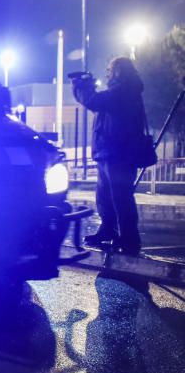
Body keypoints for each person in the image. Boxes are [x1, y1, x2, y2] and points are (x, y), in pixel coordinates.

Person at [72, 57, 149, 255]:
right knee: (106, 197)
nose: (107, 73)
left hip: (118, 154)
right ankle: (109, 231)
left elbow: (93, 101)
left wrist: (81, 84)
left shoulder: (124, 92)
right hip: (110, 153)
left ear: (118, 71)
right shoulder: (124, 92)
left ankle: (129, 240)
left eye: (109, 69)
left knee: (121, 198)